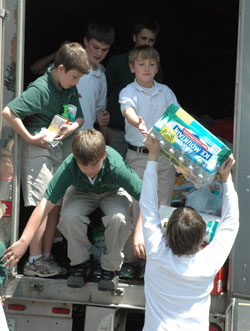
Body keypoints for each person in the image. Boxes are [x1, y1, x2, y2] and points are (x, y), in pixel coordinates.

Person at [2, 129, 142, 292]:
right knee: (69, 216)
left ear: (104, 155)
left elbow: (144, 198)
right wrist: (23, 242)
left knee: (118, 218)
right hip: (82, 191)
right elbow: (44, 205)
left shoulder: (117, 166)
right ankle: (81, 262)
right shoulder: (69, 165)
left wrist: (139, 233)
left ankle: (110, 268)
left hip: (112, 192)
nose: (89, 170)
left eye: (94, 165)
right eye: (83, 165)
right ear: (75, 158)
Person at [2, 42, 90, 277]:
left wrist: (70, 129)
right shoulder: (40, 88)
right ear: (59, 68)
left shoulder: (68, 87)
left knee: (55, 205)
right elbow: (8, 112)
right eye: (73, 77)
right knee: (42, 204)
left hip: (59, 147)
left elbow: (80, 118)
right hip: (37, 150)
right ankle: (34, 260)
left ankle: (46, 257)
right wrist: (30, 138)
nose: (75, 83)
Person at [140, 132, 239, 330]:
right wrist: (226, 178)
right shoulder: (207, 264)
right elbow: (231, 222)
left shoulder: (156, 253)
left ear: (167, 233)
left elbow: (147, 206)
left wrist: (152, 156)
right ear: (203, 238)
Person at [118, 45, 179, 278]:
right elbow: (128, 111)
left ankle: (152, 263)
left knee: (161, 210)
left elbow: (177, 118)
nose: (147, 68)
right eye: (142, 64)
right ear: (132, 67)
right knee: (134, 207)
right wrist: (138, 123)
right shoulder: (128, 91)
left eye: (152, 65)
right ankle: (128, 261)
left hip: (164, 158)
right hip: (137, 157)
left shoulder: (165, 92)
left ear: (157, 68)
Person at [106, 15, 164, 158]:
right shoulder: (117, 62)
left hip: (143, 137)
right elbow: (104, 96)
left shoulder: (157, 69)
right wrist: (103, 126)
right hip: (116, 131)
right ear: (134, 37)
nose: (147, 43)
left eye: (151, 40)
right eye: (143, 38)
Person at [77, 20, 115, 141]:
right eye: (96, 47)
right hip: (64, 134)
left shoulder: (101, 75)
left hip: (86, 136)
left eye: (105, 50)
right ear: (85, 41)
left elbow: (99, 107)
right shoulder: (68, 65)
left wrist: (102, 117)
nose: (99, 53)